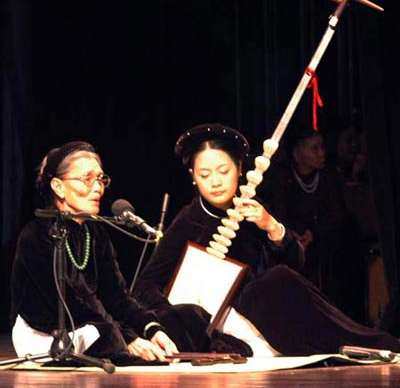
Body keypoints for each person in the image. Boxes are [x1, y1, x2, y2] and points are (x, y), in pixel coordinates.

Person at [134, 123, 400, 356]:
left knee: (278, 281)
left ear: (239, 169)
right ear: (193, 177)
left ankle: (367, 343)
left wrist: (272, 226)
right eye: (204, 175)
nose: (215, 182)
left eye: (223, 171)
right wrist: (176, 312)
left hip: (262, 311)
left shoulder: (252, 208)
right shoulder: (189, 220)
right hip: (213, 321)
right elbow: (145, 285)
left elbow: (297, 264)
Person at [9, 140, 248, 366]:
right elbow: (73, 304)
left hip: (96, 324)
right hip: (48, 334)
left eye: (100, 179)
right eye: (87, 179)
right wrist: (127, 337)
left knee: (176, 321)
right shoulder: (36, 236)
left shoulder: (96, 233)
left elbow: (117, 297)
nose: (97, 188)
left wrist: (152, 330)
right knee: (106, 334)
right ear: (58, 186)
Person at [261, 124, 366, 322]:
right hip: (291, 238)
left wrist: (314, 233)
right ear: (297, 152)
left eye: (322, 148)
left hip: (325, 242)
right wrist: (292, 232)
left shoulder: (329, 175)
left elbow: (337, 214)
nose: (321, 153)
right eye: (314, 148)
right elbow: (278, 211)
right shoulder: (282, 175)